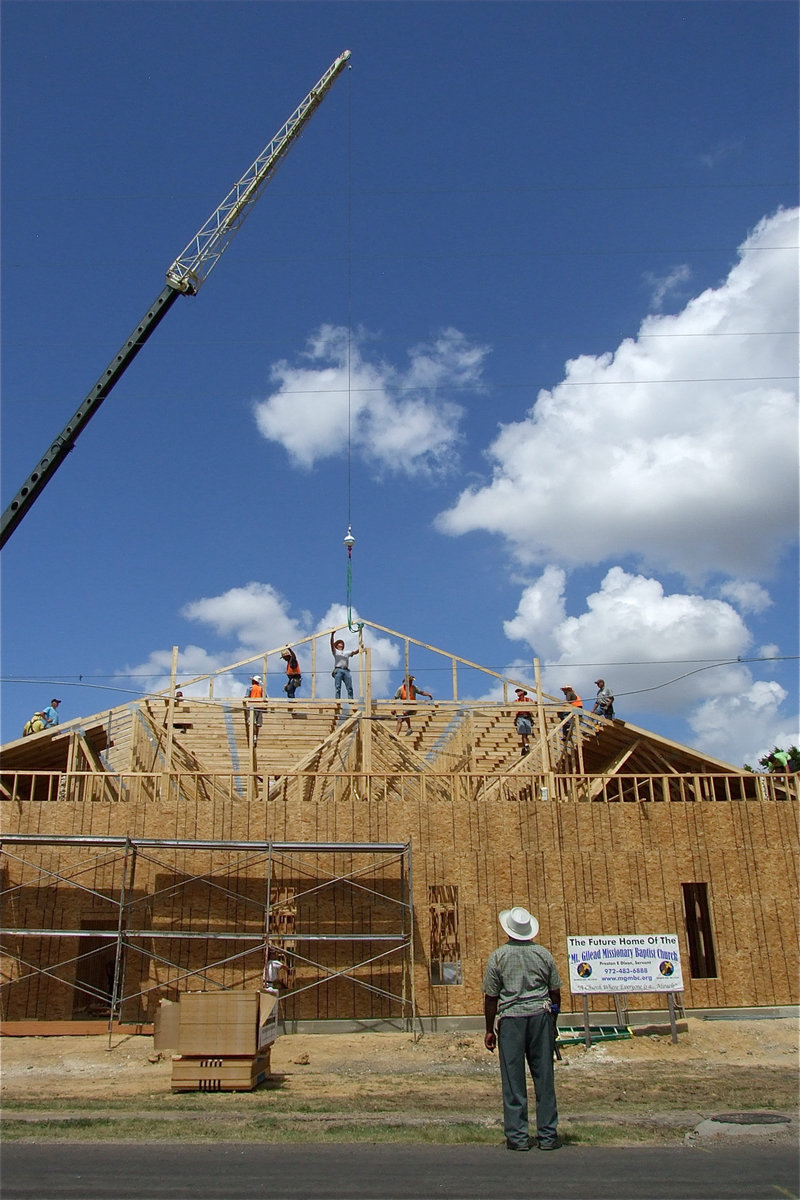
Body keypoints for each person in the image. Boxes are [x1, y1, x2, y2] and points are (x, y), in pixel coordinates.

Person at [483, 905, 562, 1152]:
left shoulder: (498, 956)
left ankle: (517, 1137)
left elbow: (491, 997)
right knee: (545, 1078)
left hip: (512, 1020)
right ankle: (547, 1136)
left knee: (513, 1080)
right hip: (540, 1017)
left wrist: (489, 1029)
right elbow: (555, 991)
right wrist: (553, 1022)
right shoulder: (543, 955)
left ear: (508, 931)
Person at [330, 631, 361, 700]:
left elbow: (354, 652)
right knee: (338, 687)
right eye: (339, 644)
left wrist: (360, 648)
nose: (341, 645)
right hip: (338, 670)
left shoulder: (346, 652)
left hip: (346, 670)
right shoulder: (335, 652)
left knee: (349, 687)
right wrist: (332, 635)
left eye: (342, 644)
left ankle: (351, 700)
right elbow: (331, 644)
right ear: (337, 645)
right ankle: (338, 701)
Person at [513, 688, 533, 756]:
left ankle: (524, 747)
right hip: (520, 717)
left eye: (519, 691)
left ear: (523, 692)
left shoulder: (528, 700)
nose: (517, 693)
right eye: (517, 692)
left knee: (526, 733)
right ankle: (526, 745)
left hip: (527, 717)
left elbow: (533, 706)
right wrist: (515, 719)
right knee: (523, 731)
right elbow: (514, 710)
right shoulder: (516, 701)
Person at [245, 674, 264, 745]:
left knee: (253, 722)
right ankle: (256, 737)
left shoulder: (250, 688)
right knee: (258, 724)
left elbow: (246, 697)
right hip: (260, 707)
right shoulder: (261, 689)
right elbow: (265, 698)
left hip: (252, 706)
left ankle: (253, 736)